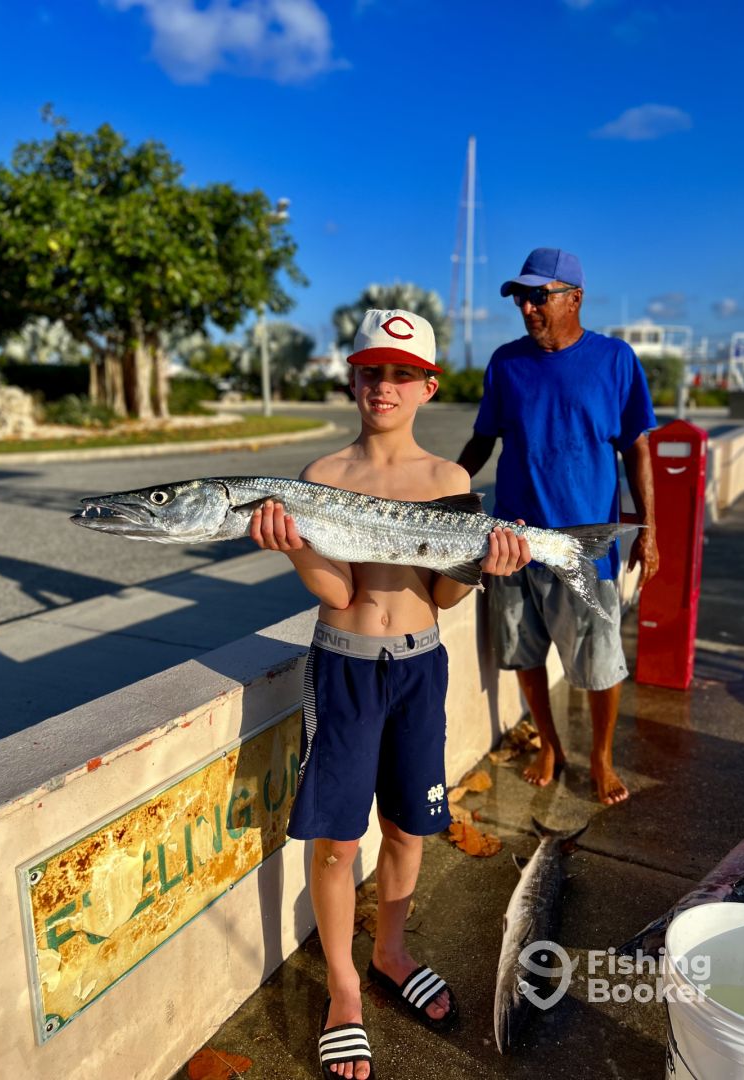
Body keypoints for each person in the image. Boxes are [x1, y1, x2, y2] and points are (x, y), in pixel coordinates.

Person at [250, 308, 531, 1080]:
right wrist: (293, 546)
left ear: (428, 387)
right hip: (343, 666)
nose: (385, 386)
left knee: (407, 827)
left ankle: (391, 952)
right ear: (353, 378)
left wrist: (484, 567)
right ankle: (343, 986)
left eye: (403, 374)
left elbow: (441, 596)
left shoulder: (449, 481)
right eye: (372, 371)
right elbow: (338, 592)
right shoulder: (319, 477)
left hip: (418, 668)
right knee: (338, 841)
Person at [458, 248, 659, 807]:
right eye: (521, 299)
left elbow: (637, 449)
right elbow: (482, 441)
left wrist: (649, 529)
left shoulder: (615, 360)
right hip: (513, 544)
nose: (527, 308)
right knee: (522, 653)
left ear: (575, 298)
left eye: (538, 297)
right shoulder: (505, 363)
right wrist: (440, 488)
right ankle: (550, 745)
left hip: (584, 549)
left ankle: (601, 757)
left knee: (599, 663)